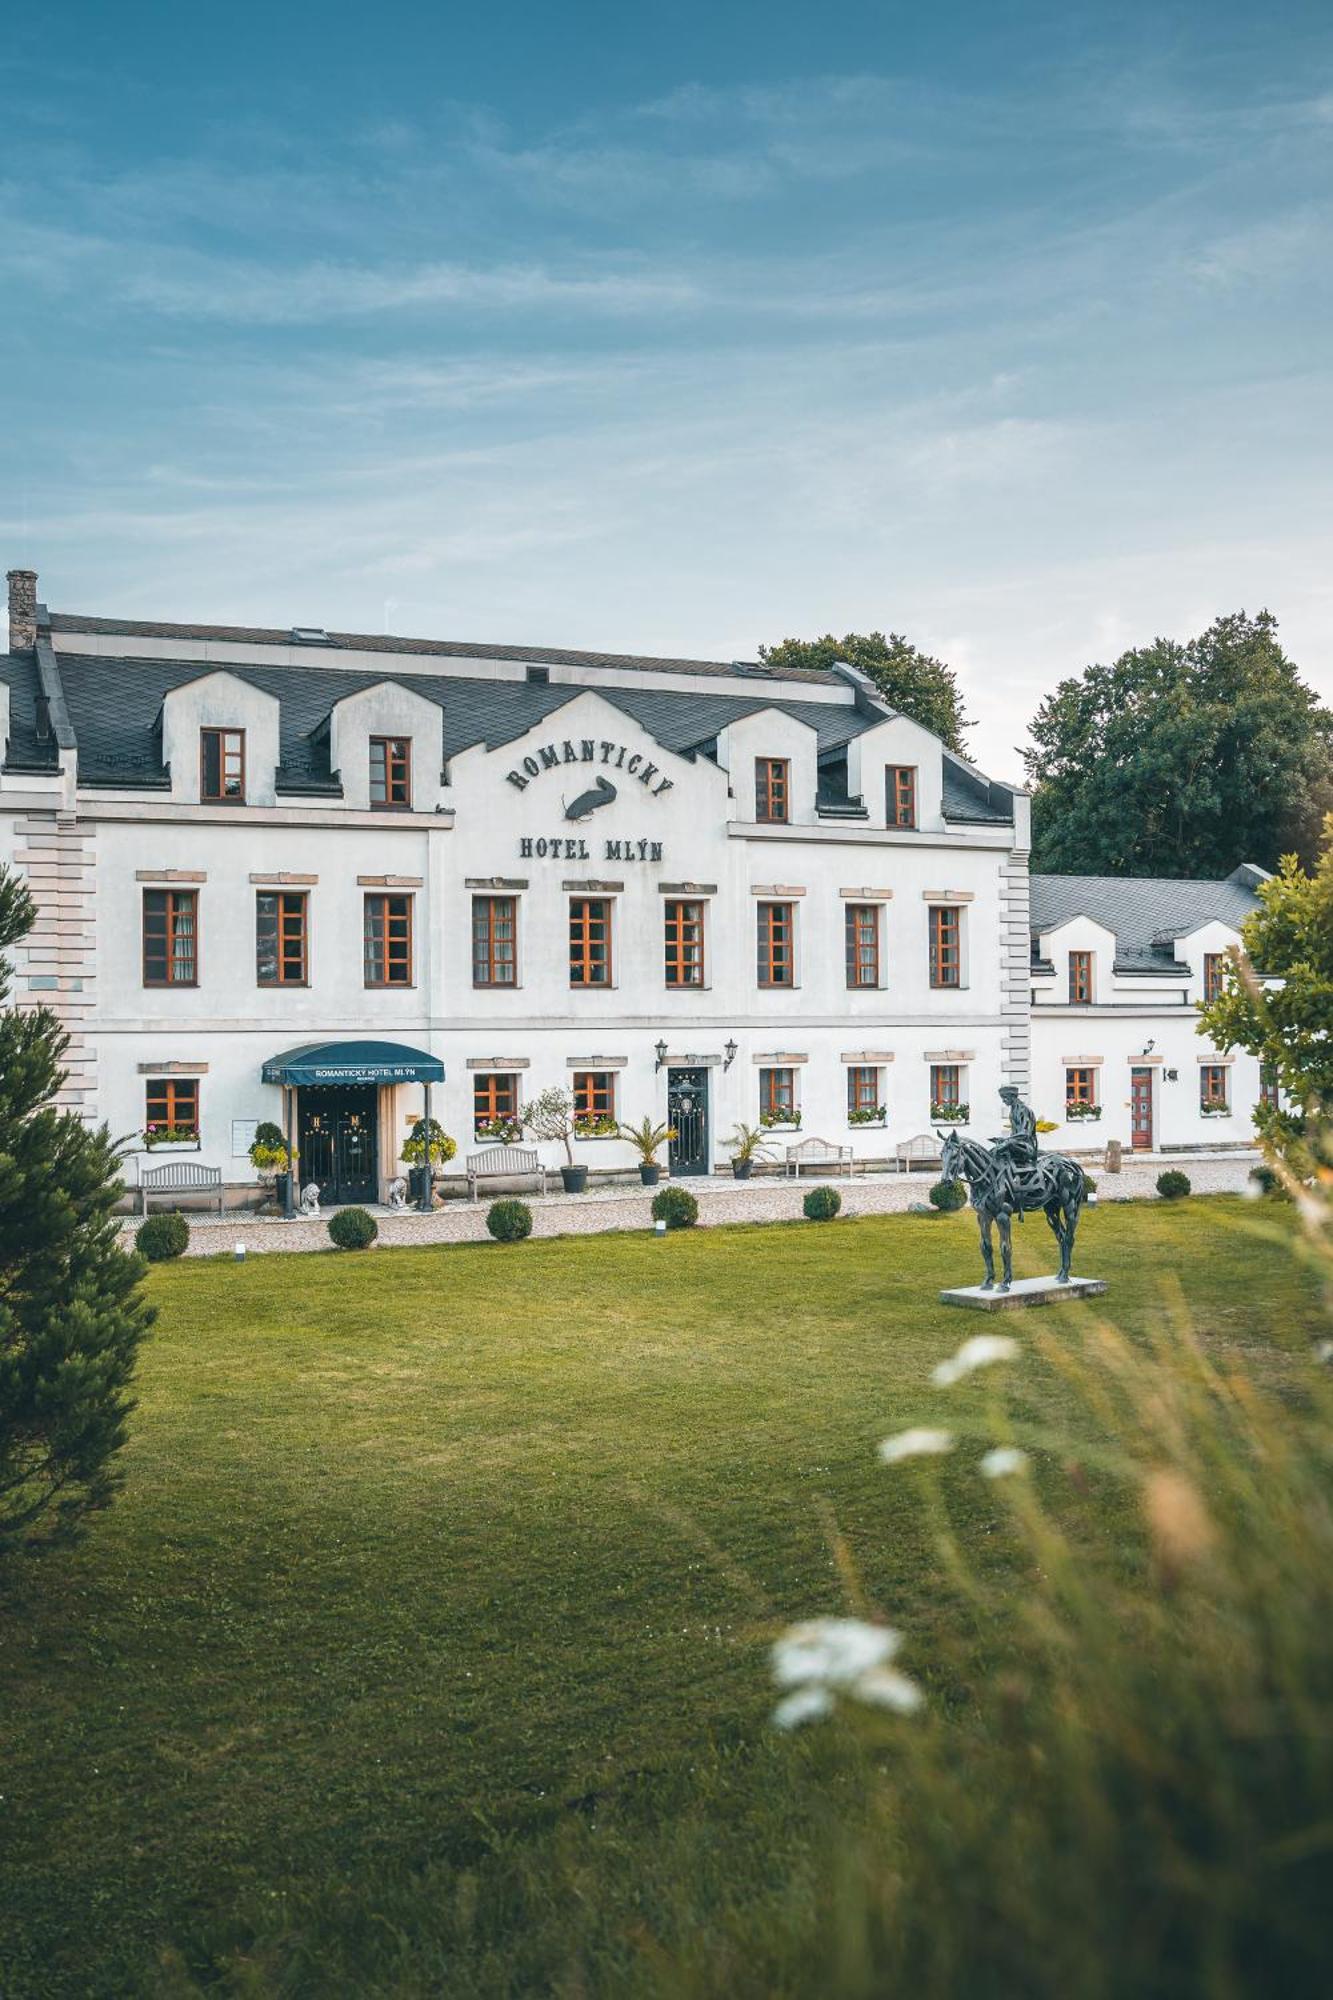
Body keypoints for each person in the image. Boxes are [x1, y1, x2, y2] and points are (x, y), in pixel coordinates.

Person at [990, 1085, 1040, 1201]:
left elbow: (1025, 1133)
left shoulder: (1024, 1110)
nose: (1003, 1100)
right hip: (1017, 1144)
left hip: (1027, 1147)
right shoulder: (1013, 1111)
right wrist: (1003, 1140)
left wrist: (1007, 1141)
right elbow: (1014, 1134)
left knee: (1004, 1146)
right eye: (1002, 1097)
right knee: (998, 1147)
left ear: (1013, 1096)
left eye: (1005, 1097)